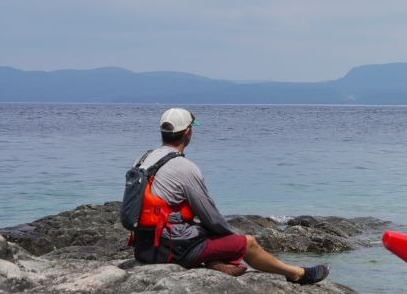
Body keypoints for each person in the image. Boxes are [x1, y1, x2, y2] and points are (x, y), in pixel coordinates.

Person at [130, 108, 329, 284]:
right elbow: (211, 218)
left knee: (204, 232)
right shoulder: (184, 167)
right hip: (172, 250)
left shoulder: (143, 159)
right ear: (188, 132)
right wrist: (235, 239)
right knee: (246, 242)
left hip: (144, 247)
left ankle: (215, 261)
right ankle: (296, 273)